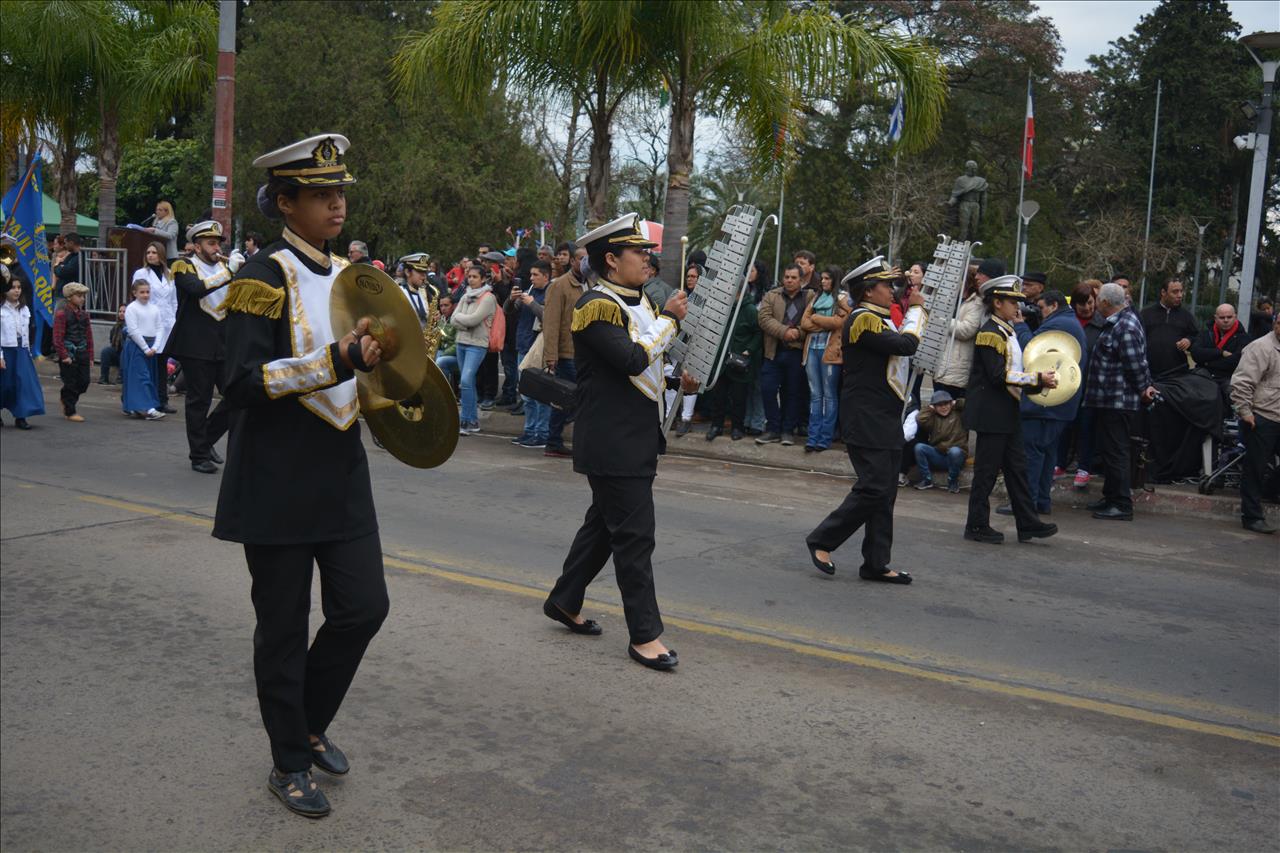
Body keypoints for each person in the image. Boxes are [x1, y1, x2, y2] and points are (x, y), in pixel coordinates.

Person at [214, 133, 389, 820]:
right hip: (276, 474)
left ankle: (308, 723)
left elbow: (367, 371)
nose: (336, 204)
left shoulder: (353, 276)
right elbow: (239, 382)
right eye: (320, 194)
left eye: (339, 191)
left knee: (364, 607)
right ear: (285, 202)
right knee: (283, 630)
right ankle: (289, 760)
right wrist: (337, 360)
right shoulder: (261, 277)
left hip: (341, 470)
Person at [543, 213, 689, 670]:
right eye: (638, 252)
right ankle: (644, 635)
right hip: (613, 441)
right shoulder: (596, 306)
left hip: (633, 436)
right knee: (634, 537)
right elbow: (630, 359)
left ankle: (565, 599)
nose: (647, 259)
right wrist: (670, 320)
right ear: (611, 259)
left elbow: (644, 368)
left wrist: (676, 378)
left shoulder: (637, 301)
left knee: (605, 528)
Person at [805, 258, 924, 583]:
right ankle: (822, 540)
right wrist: (916, 311)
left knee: (886, 493)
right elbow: (906, 345)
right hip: (866, 417)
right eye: (886, 285)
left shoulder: (880, 318)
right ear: (869, 290)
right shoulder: (862, 318)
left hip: (885, 416)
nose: (892, 290)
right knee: (873, 488)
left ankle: (876, 563)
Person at [962, 276, 1060, 544]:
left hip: (1008, 410)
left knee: (1018, 469)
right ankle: (977, 524)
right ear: (997, 303)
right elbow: (998, 375)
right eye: (1012, 301)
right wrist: (1036, 379)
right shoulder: (990, 333)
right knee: (986, 472)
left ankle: (1027, 523)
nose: (1017, 306)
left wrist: (1037, 378)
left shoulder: (1007, 331)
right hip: (992, 413)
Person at [997, 289, 1086, 516]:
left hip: (1044, 403)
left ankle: (1025, 504)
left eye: (1041, 307)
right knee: (1047, 454)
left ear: (1054, 306)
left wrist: (1020, 325)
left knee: (1032, 454)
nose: (1039, 311)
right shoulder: (1071, 322)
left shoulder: (1057, 325)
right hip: (1060, 404)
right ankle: (1041, 502)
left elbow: (1032, 353)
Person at [1083, 282, 1157, 521]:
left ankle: (1121, 504)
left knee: (1117, 452)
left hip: (1118, 401)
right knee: (1110, 450)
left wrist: (1144, 388)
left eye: (1097, 300)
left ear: (1105, 302)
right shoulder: (1117, 323)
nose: (1095, 305)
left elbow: (1135, 364)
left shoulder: (1125, 326)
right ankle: (1111, 496)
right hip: (1108, 400)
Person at [167, 220, 233, 474]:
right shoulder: (183, 266)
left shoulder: (225, 268)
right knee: (199, 401)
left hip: (224, 343)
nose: (217, 248)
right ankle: (198, 455)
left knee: (236, 396)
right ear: (197, 247)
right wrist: (229, 274)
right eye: (211, 243)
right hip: (195, 344)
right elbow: (196, 289)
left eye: (218, 243)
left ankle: (205, 440)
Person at [1229, 312, 1280, 534]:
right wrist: (1245, 412)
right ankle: (1251, 516)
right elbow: (1242, 382)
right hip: (1262, 416)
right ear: (1275, 323)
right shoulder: (1260, 347)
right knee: (1255, 468)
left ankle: (1270, 489)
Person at [756, 264, 813, 445]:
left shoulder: (809, 297)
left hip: (796, 352)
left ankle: (787, 430)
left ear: (801, 280)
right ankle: (773, 428)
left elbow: (813, 321)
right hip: (774, 351)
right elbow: (764, 318)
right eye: (787, 277)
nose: (789, 280)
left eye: (793, 277)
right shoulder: (772, 295)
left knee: (793, 393)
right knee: (768, 389)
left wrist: (798, 333)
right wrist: (784, 331)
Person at [542, 240, 588, 458]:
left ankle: (556, 440)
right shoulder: (559, 285)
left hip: (585, 353)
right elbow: (551, 322)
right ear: (572, 261)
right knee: (567, 398)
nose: (584, 263)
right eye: (581, 259)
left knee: (573, 398)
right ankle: (553, 441)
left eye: (588, 259)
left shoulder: (590, 284)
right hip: (567, 353)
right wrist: (551, 355)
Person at [1061, 281, 1107, 489]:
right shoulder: (1067, 322)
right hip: (1068, 382)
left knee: (1087, 426)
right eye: (1082, 304)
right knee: (1065, 425)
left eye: (1090, 303)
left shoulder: (1102, 324)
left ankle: (1084, 467)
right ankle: (1059, 463)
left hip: (1091, 383)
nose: (1087, 308)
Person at [932, 259, 1000, 398]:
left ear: (966, 282)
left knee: (951, 406)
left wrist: (941, 320)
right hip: (941, 364)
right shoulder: (953, 300)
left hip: (956, 368)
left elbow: (966, 330)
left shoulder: (976, 303)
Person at [799, 265, 848, 452]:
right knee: (815, 394)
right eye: (823, 278)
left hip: (830, 352)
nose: (823, 281)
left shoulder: (842, 298)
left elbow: (840, 322)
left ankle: (825, 437)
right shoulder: (816, 297)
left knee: (829, 395)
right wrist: (824, 323)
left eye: (827, 278)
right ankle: (812, 437)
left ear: (835, 280)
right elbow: (804, 323)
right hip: (811, 349)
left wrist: (816, 318)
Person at [706, 293, 762, 441]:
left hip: (739, 360)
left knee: (739, 397)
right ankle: (716, 425)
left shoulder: (750, 310)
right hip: (721, 360)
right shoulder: (724, 307)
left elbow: (758, 332)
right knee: (718, 396)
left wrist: (749, 349)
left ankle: (737, 427)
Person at [508, 259, 551, 447]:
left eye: (535, 275)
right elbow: (508, 311)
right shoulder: (530, 290)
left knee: (540, 394)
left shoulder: (551, 292)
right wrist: (512, 299)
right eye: (531, 274)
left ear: (546, 276)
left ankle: (542, 433)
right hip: (523, 344)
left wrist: (533, 304)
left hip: (538, 348)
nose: (531, 278)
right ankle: (529, 430)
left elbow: (549, 318)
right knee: (526, 394)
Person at [451, 263, 498, 435]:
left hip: (477, 344)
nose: (471, 279)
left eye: (475, 277)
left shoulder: (488, 298)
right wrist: (465, 322)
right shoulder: (465, 295)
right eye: (469, 276)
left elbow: (474, 320)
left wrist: (462, 320)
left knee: (465, 380)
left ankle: (466, 419)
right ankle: (471, 421)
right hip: (461, 342)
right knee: (467, 383)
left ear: (483, 279)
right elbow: (453, 319)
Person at [131, 240, 178, 413]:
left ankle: (162, 400)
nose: (150, 255)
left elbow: (173, 300)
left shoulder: (170, 274)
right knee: (149, 365)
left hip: (167, 324)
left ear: (161, 255)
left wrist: (174, 320)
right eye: (148, 252)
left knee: (162, 364)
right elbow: (137, 298)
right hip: (149, 324)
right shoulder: (141, 273)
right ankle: (147, 400)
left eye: (154, 252)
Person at [0, 272, 44, 429]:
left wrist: (29, 351)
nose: (17, 290)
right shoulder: (1, 310)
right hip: (5, 350)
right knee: (5, 384)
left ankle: (21, 416)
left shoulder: (24, 309)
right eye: (13, 287)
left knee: (23, 383)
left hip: (21, 350)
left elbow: (27, 332)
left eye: (19, 287)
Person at [120, 279, 167, 420]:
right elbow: (133, 330)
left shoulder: (154, 308)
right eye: (142, 292)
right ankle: (149, 409)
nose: (146, 295)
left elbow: (160, 328)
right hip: (137, 346)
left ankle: (136, 406)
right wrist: (146, 348)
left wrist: (155, 347)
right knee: (141, 377)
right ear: (135, 293)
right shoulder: (132, 308)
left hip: (151, 347)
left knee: (149, 377)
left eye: (147, 292)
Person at [909, 390, 967, 491]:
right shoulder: (933, 418)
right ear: (934, 407)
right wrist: (930, 408)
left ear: (951, 403)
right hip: (939, 455)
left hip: (956, 457)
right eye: (939, 405)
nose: (943, 407)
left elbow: (969, 404)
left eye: (946, 404)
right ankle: (926, 479)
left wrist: (956, 402)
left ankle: (953, 481)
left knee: (955, 451)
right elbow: (920, 418)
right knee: (919, 447)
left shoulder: (958, 413)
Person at [1140, 278, 1197, 379]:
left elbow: (1196, 336)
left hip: (1177, 373)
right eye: (1175, 292)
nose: (1180, 295)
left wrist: (1189, 340)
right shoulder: (1146, 314)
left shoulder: (1187, 316)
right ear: (1163, 292)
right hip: (1149, 372)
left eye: (1181, 291)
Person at [1191, 303, 1246, 408]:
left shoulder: (1244, 338)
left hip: (1228, 378)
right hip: (1203, 375)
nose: (1226, 320)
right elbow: (1195, 353)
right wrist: (1220, 353)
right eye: (1222, 317)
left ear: (1235, 317)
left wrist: (1207, 361)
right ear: (1215, 318)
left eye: (1229, 317)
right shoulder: (1205, 334)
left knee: (1233, 393)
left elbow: (1235, 361)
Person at [52, 282, 93, 422]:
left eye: (83, 296)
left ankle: (65, 398)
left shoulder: (84, 315)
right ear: (70, 297)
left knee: (84, 382)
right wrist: (64, 355)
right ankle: (70, 411)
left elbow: (88, 336)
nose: (82, 299)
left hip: (82, 352)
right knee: (70, 382)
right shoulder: (62, 314)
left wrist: (90, 355)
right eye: (79, 296)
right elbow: (57, 338)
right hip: (68, 353)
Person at [98, 304, 127, 385]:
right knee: (106, 351)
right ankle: (104, 378)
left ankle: (121, 378)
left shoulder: (130, 326)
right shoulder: (116, 326)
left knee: (124, 352)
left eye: (124, 312)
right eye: (120, 311)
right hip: (117, 351)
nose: (121, 313)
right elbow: (112, 340)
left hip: (127, 354)